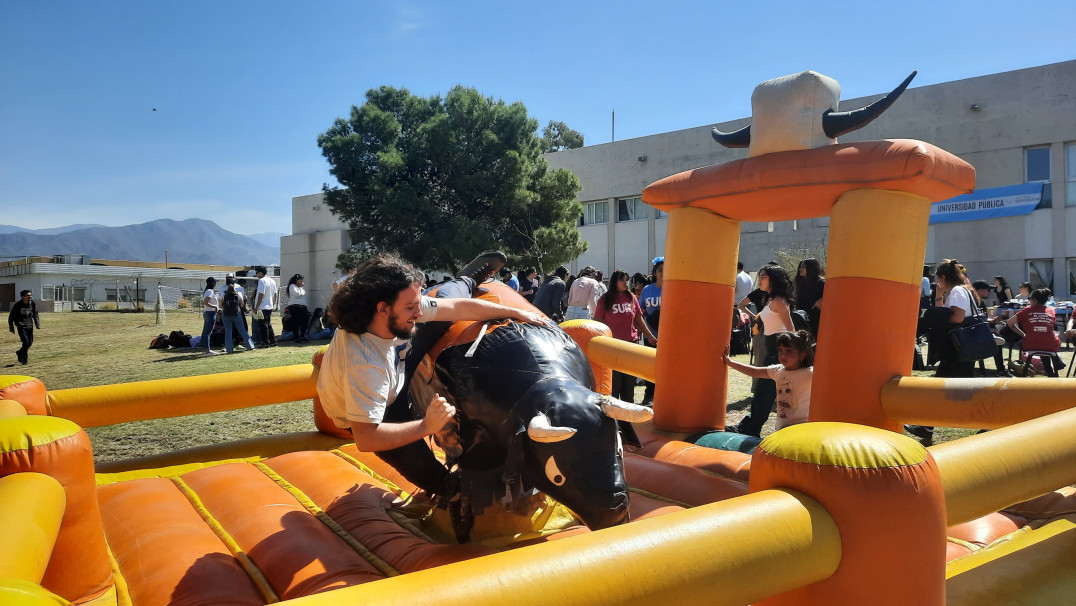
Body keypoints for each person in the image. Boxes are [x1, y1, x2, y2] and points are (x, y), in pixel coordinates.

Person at [316, 251, 546, 497]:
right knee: (429, 474)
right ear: (382, 309)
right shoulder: (365, 364)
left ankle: (466, 279)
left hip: (396, 371)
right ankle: (451, 492)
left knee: (443, 305)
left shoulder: (393, 312)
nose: (418, 311)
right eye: (410, 307)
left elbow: (456, 307)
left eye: (417, 302)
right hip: (375, 412)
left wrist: (512, 312)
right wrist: (427, 425)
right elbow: (367, 438)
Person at [908, 259, 979, 442]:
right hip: (960, 349)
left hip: (956, 349)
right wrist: (938, 297)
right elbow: (944, 315)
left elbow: (957, 318)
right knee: (965, 391)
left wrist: (939, 317)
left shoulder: (957, 291)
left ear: (944, 277)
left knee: (941, 388)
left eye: (938, 279)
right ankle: (927, 428)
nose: (937, 283)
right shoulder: (962, 290)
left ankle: (926, 428)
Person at [732, 264, 795, 437]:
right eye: (759, 276)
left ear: (773, 280)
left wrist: (786, 355)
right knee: (763, 393)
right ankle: (751, 425)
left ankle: (752, 428)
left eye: (763, 277)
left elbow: (791, 330)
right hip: (772, 349)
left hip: (777, 350)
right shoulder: (769, 299)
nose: (759, 280)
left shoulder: (778, 301)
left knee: (763, 392)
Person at [724, 330, 814, 432]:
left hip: (801, 428)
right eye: (780, 350)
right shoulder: (778, 370)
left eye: (788, 351)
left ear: (802, 354)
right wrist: (730, 363)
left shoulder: (810, 373)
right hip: (782, 428)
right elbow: (754, 371)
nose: (783, 355)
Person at [593, 270, 657, 402]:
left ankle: (628, 419)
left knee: (629, 385)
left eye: (627, 280)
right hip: (612, 347)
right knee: (615, 385)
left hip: (630, 346)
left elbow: (639, 320)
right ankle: (614, 417)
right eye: (622, 280)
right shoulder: (605, 299)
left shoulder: (631, 297)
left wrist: (650, 337)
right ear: (614, 282)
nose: (625, 282)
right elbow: (597, 321)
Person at [1006, 288, 1063, 377]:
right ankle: (1054, 369)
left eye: (1030, 299)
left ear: (1034, 300)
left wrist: (1022, 334)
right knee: (1045, 342)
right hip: (1051, 345)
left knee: (1038, 341)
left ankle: (1052, 369)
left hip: (1031, 344)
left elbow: (1009, 322)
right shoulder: (1051, 311)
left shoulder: (1026, 310)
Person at [639, 258, 664, 406]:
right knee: (650, 364)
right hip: (650, 332)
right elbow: (641, 311)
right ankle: (648, 395)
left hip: (668, 333)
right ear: (654, 272)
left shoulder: (672, 287)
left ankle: (663, 396)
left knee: (665, 365)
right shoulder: (647, 289)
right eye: (660, 270)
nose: (663, 273)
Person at [972, 280, 1009, 377]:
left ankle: (1001, 370)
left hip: (982, 331)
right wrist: (989, 330)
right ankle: (1000, 370)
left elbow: (983, 320)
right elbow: (973, 322)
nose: (989, 292)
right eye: (988, 290)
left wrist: (995, 321)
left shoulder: (981, 303)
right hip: (972, 333)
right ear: (980, 291)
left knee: (1001, 331)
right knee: (996, 338)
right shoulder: (970, 303)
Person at [220, 279, 255, 353]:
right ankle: (250, 346)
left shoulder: (223, 295)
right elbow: (242, 305)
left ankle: (229, 349)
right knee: (242, 330)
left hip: (226, 315)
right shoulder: (238, 294)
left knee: (228, 331)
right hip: (236, 314)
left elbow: (220, 305)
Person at [793, 258, 825, 337]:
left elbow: (829, 298)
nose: (800, 269)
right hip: (800, 320)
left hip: (815, 320)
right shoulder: (799, 283)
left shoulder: (821, 283)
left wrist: (819, 302)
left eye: (803, 267)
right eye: (800, 267)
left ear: (811, 268)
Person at [8, 289, 41, 365]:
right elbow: (11, 317)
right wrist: (11, 328)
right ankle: (24, 360)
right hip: (21, 325)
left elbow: (35, 314)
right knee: (25, 342)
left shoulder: (32, 303)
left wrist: (37, 324)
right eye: (28, 295)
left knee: (30, 343)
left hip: (29, 325)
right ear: (23, 296)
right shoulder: (17, 305)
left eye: (30, 295)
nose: (30, 296)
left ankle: (19, 352)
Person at [253, 266, 278, 347]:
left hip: (262, 306)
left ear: (260, 272)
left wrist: (256, 307)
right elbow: (275, 295)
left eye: (257, 273)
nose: (256, 275)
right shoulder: (272, 281)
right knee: (268, 324)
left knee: (263, 325)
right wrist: (273, 304)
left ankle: (265, 342)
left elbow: (261, 294)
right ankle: (273, 341)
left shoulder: (262, 281)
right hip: (269, 306)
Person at [286, 274, 310, 343]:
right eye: (301, 279)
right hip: (294, 306)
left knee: (305, 320)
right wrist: (300, 289)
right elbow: (297, 294)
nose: (302, 281)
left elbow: (304, 293)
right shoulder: (292, 286)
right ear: (297, 280)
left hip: (303, 306)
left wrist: (301, 288)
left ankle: (303, 336)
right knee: (296, 321)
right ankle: (296, 337)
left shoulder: (301, 287)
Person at [200, 277, 221, 355]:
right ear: (213, 283)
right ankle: (207, 350)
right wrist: (214, 306)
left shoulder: (208, 291)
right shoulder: (210, 291)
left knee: (206, 332)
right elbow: (205, 302)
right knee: (207, 332)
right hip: (210, 313)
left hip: (207, 312)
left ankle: (204, 348)